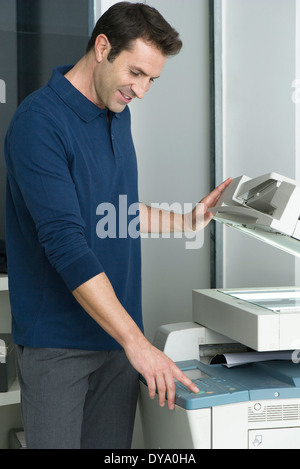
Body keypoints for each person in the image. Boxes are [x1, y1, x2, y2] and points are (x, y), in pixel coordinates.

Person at [4, 2, 231, 449]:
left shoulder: (116, 114)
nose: (142, 91)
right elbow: (66, 243)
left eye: (152, 80)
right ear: (102, 47)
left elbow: (116, 211)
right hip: (59, 346)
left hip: (118, 339)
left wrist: (187, 220)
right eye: (136, 73)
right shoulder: (39, 123)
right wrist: (139, 344)